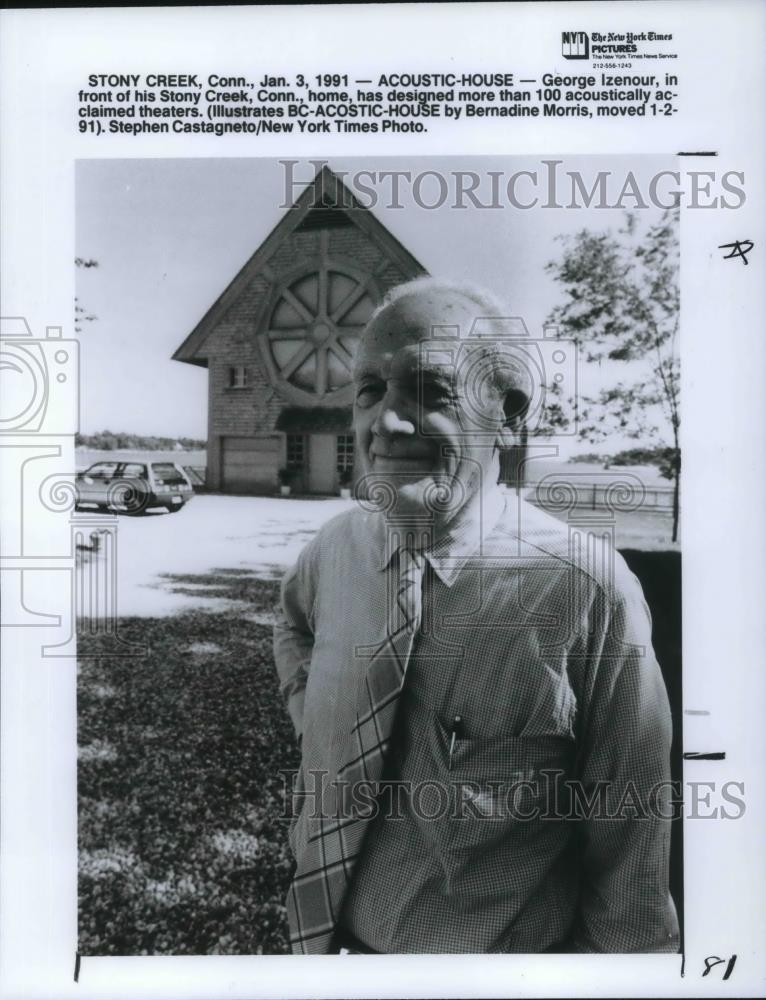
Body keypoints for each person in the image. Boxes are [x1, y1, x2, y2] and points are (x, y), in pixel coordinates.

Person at [273, 277, 679, 955]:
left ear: (511, 415)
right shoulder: (336, 547)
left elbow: (629, 851)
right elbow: (291, 624)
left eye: (431, 392)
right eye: (368, 390)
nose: (386, 423)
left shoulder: (585, 591)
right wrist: (310, 708)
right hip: (322, 945)